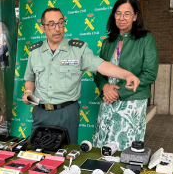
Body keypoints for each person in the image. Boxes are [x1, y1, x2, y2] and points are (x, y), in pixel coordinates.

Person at [22, 8, 140, 144]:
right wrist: (29, 92)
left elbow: (102, 66)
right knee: (36, 153)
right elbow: (30, 78)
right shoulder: (35, 52)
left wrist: (127, 75)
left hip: (66, 113)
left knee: (65, 155)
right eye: (52, 24)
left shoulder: (78, 50)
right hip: (40, 111)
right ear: (42, 27)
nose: (58, 28)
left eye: (61, 23)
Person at [92, 0, 159, 150]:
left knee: (125, 147)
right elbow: (98, 70)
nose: (122, 18)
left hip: (132, 102)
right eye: (118, 13)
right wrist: (104, 87)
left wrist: (119, 92)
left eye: (127, 13)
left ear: (135, 16)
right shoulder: (108, 42)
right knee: (103, 144)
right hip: (108, 100)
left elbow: (149, 73)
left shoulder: (146, 39)